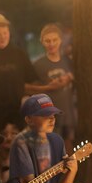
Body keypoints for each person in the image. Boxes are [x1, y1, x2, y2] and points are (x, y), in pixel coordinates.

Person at [0, 13, 62, 133]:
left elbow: (32, 79)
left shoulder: (19, 54)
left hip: (17, 113)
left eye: (5, 33)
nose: (2, 37)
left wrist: (48, 85)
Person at [33, 23, 76, 153]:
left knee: (68, 146)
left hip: (67, 113)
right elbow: (31, 90)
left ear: (61, 40)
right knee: (50, 149)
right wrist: (48, 87)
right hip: (48, 116)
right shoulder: (38, 64)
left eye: (54, 40)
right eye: (47, 41)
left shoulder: (68, 61)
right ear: (42, 42)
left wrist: (69, 77)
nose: (51, 44)